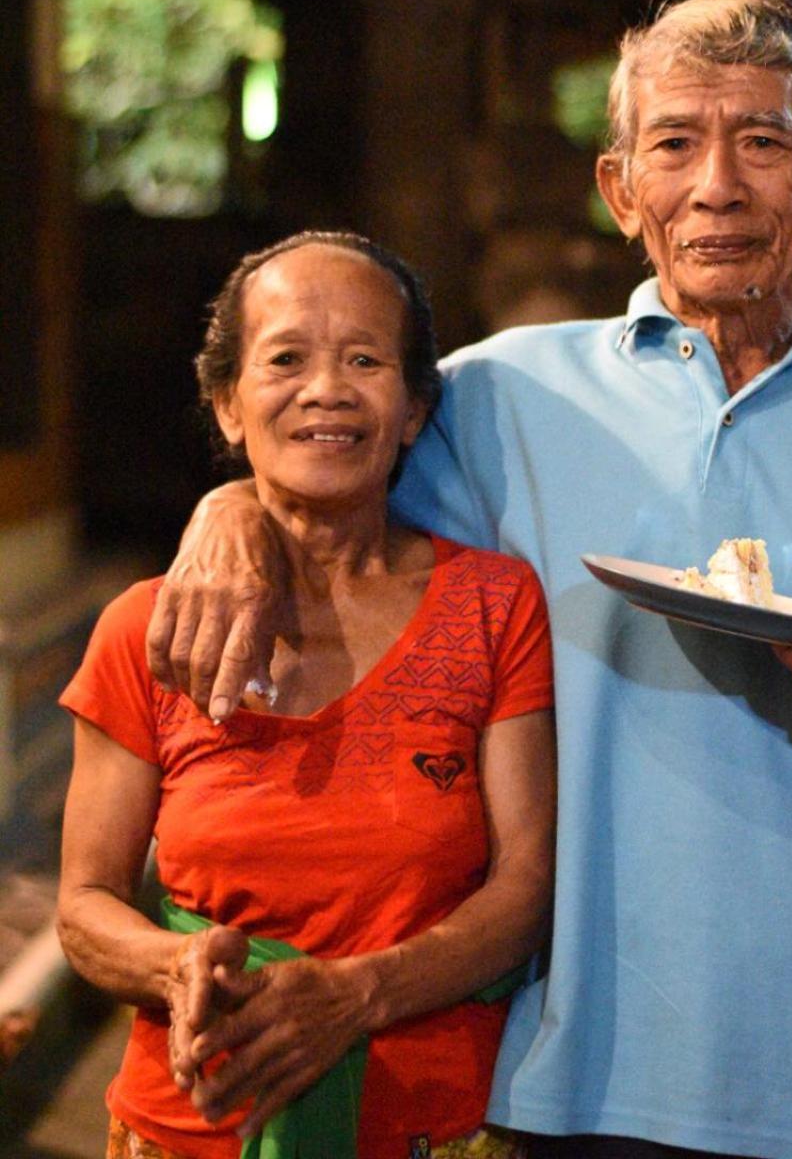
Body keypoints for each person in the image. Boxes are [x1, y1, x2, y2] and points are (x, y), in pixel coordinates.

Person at [145, 0, 792, 1159]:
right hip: (562, 1080)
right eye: (674, 142)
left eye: (763, 142)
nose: (716, 184)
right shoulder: (501, 398)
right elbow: (319, 475)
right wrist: (227, 510)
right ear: (619, 190)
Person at [56, 231, 556, 1159]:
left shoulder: (493, 606)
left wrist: (355, 995)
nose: (326, 388)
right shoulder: (144, 629)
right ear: (228, 405)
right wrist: (177, 968)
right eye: (286, 359)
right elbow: (84, 904)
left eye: (364, 360)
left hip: (430, 1128)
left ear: (412, 411)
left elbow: (525, 888)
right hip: (191, 1125)